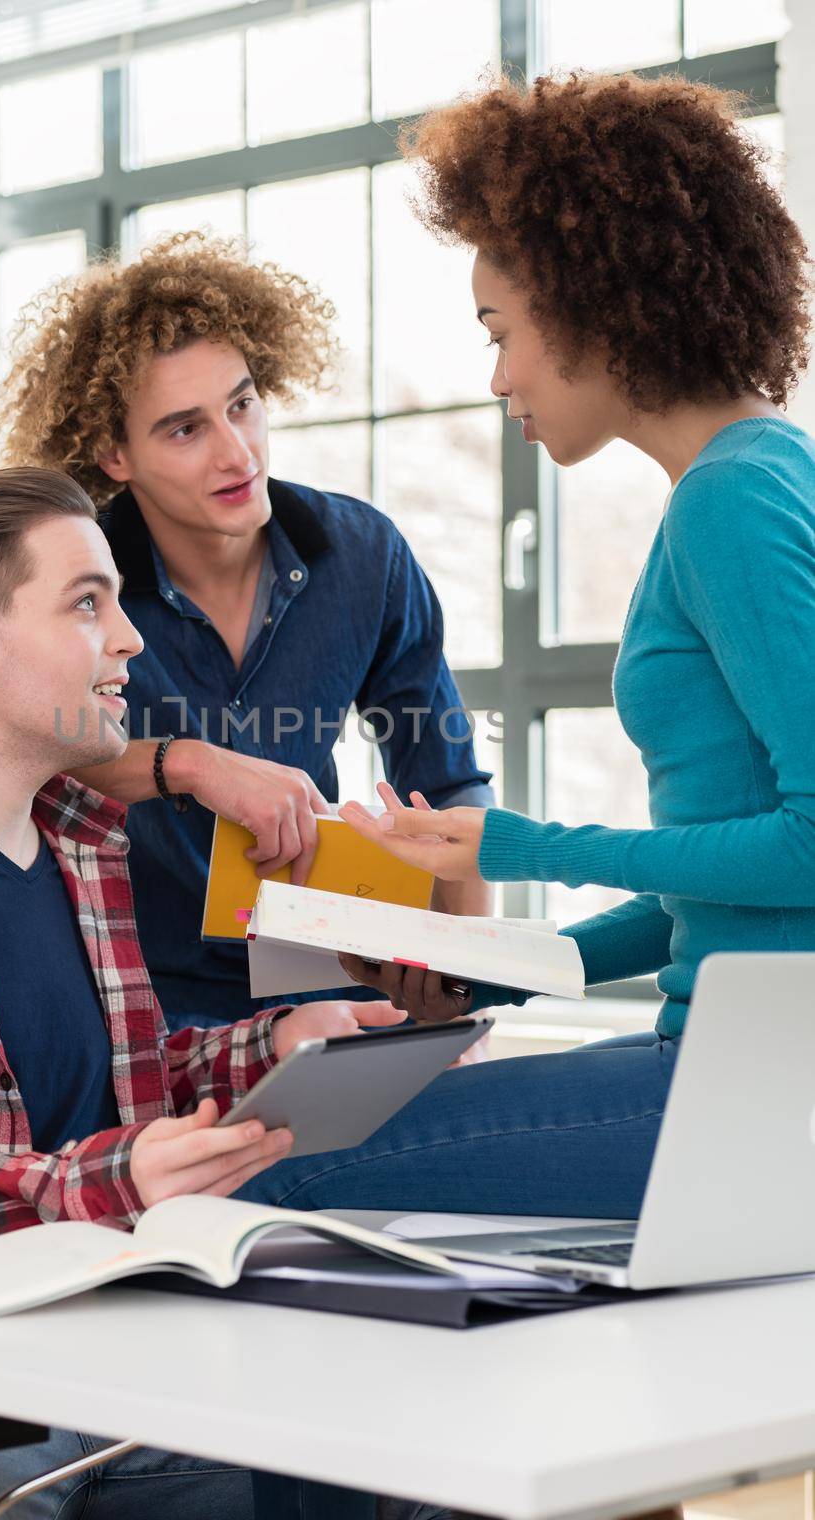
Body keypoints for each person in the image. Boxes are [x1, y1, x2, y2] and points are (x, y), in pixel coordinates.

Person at [0, 466, 439, 1520]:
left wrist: (281, 1044)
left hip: (113, 1370)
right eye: (86, 602)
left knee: (411, 1473)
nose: (129, 638)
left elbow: (124, 1082)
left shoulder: (82, 840)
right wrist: (107, 1184)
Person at [234, 69, 815, 1222]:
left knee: (273, 1165)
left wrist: (518, 842)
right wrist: (499, 964)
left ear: (596, 303)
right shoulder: (761, 475)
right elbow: (732, 905)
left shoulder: (731, 504)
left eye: (503, 332)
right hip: (740, 1067)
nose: (498, 377)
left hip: (749, 1089)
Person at [0, 233, 494, 1031]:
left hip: (333, 980)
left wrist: (464, 994)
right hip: (138, 1006)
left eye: (242, 403)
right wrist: (187, 765)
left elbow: (449, 786)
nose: (238, 453)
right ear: (113, 452)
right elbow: (19, 765)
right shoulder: (70, 579)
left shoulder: (365, 556)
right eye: (185, 429)